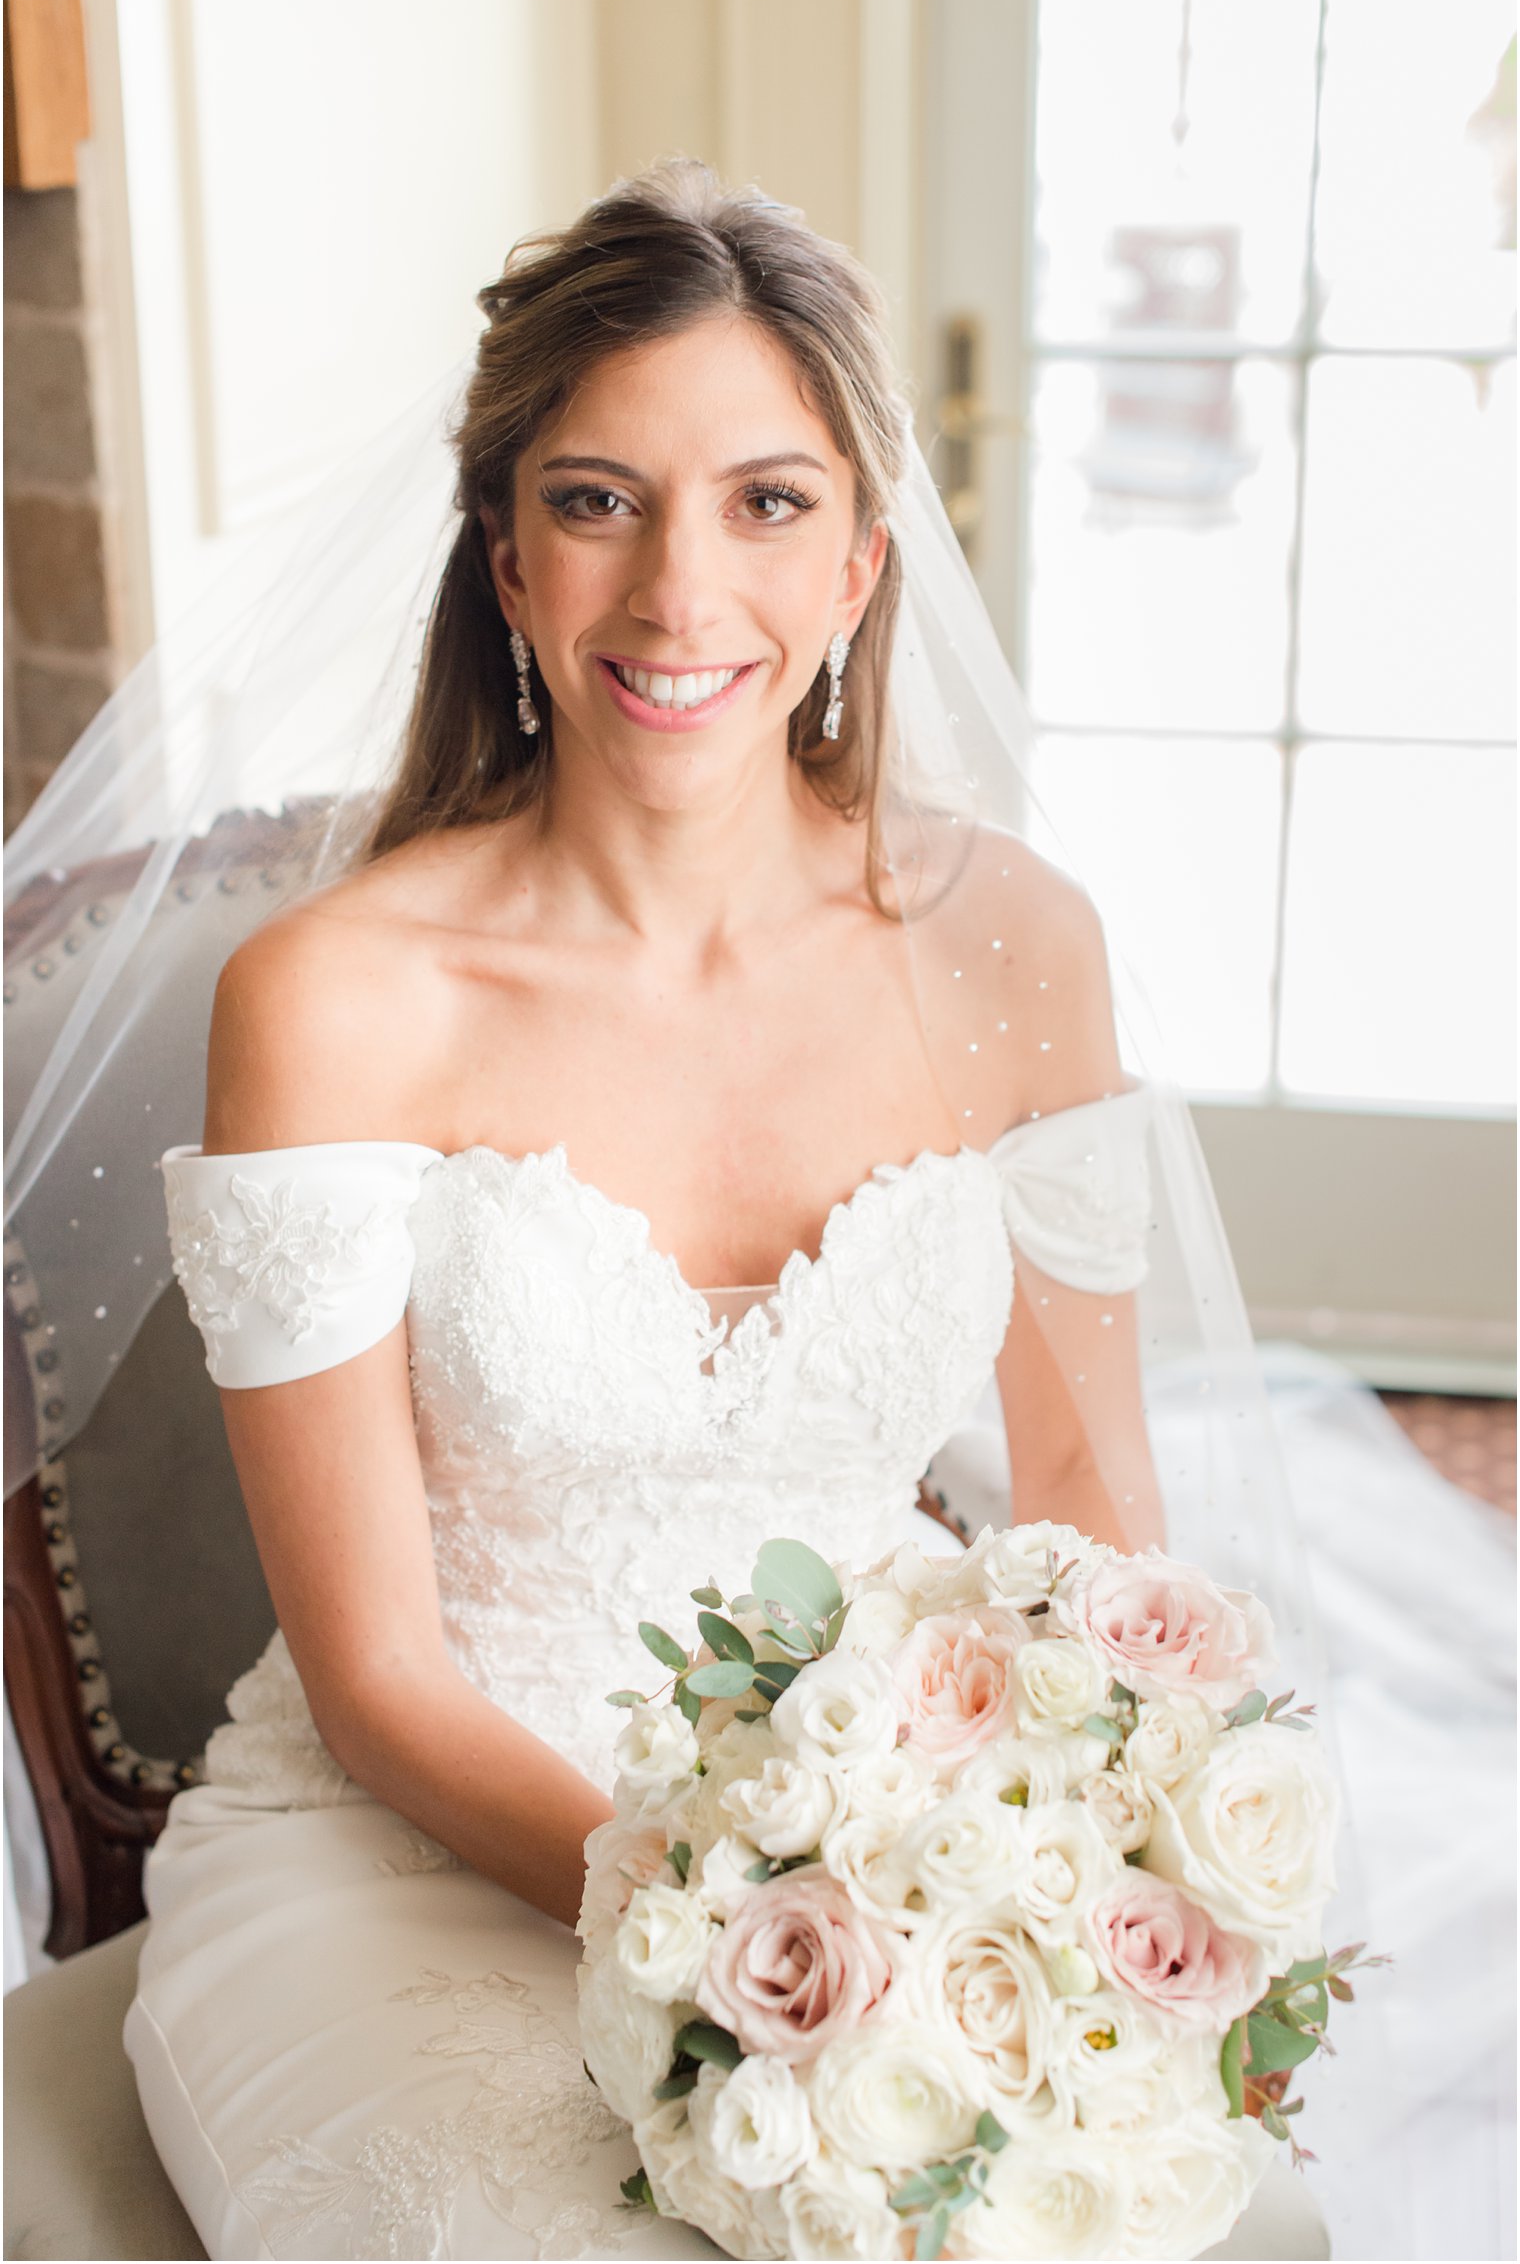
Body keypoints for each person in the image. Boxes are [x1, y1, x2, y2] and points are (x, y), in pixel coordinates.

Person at [108, 162, 1333, 2261]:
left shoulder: (1016, 951)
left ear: (862, 561)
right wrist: (735, 1928)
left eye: (765, 503)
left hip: (891, 1838)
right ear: (504, 555)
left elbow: (1089, 1518)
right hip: (398, 1850)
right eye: (598, 500)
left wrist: (1071, 1899)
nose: (680, 594)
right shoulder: (331, 1003)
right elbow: (380, 1672)